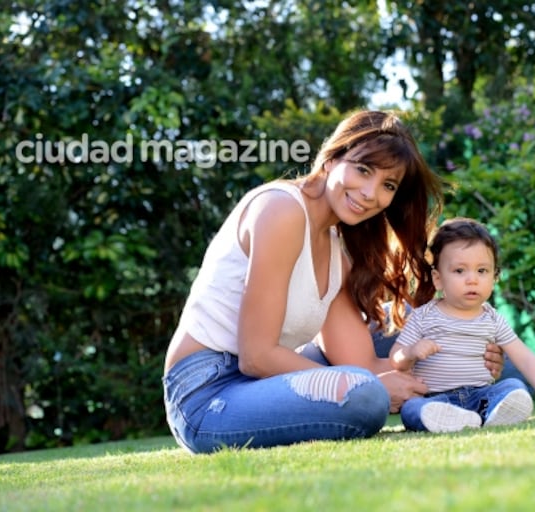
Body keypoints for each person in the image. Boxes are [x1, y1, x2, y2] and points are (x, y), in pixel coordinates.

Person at [163, 109, 492, 453]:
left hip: (266, 383)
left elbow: (361, 364)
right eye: (363, 169)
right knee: (364, 395)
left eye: (388, 185)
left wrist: (461, 356)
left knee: (443, 324)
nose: (369, 193)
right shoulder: (281, 210)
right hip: (208, 395)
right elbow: (256, 356)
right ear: (333, 157)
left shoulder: (337, 252)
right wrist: (378, 386)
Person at [389, 218, 535, 433]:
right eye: (459, 271)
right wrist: (411, 352)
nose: (472, 280)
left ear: (494, 277)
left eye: (482, 271)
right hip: (435, 398)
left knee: (513, 387)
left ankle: (493, 413)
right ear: (438, 279)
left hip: (481, 395)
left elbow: (526, 358)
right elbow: (395, 357)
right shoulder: (423, 317)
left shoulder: (493, 318)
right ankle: (451, 418)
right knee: (412, 409)